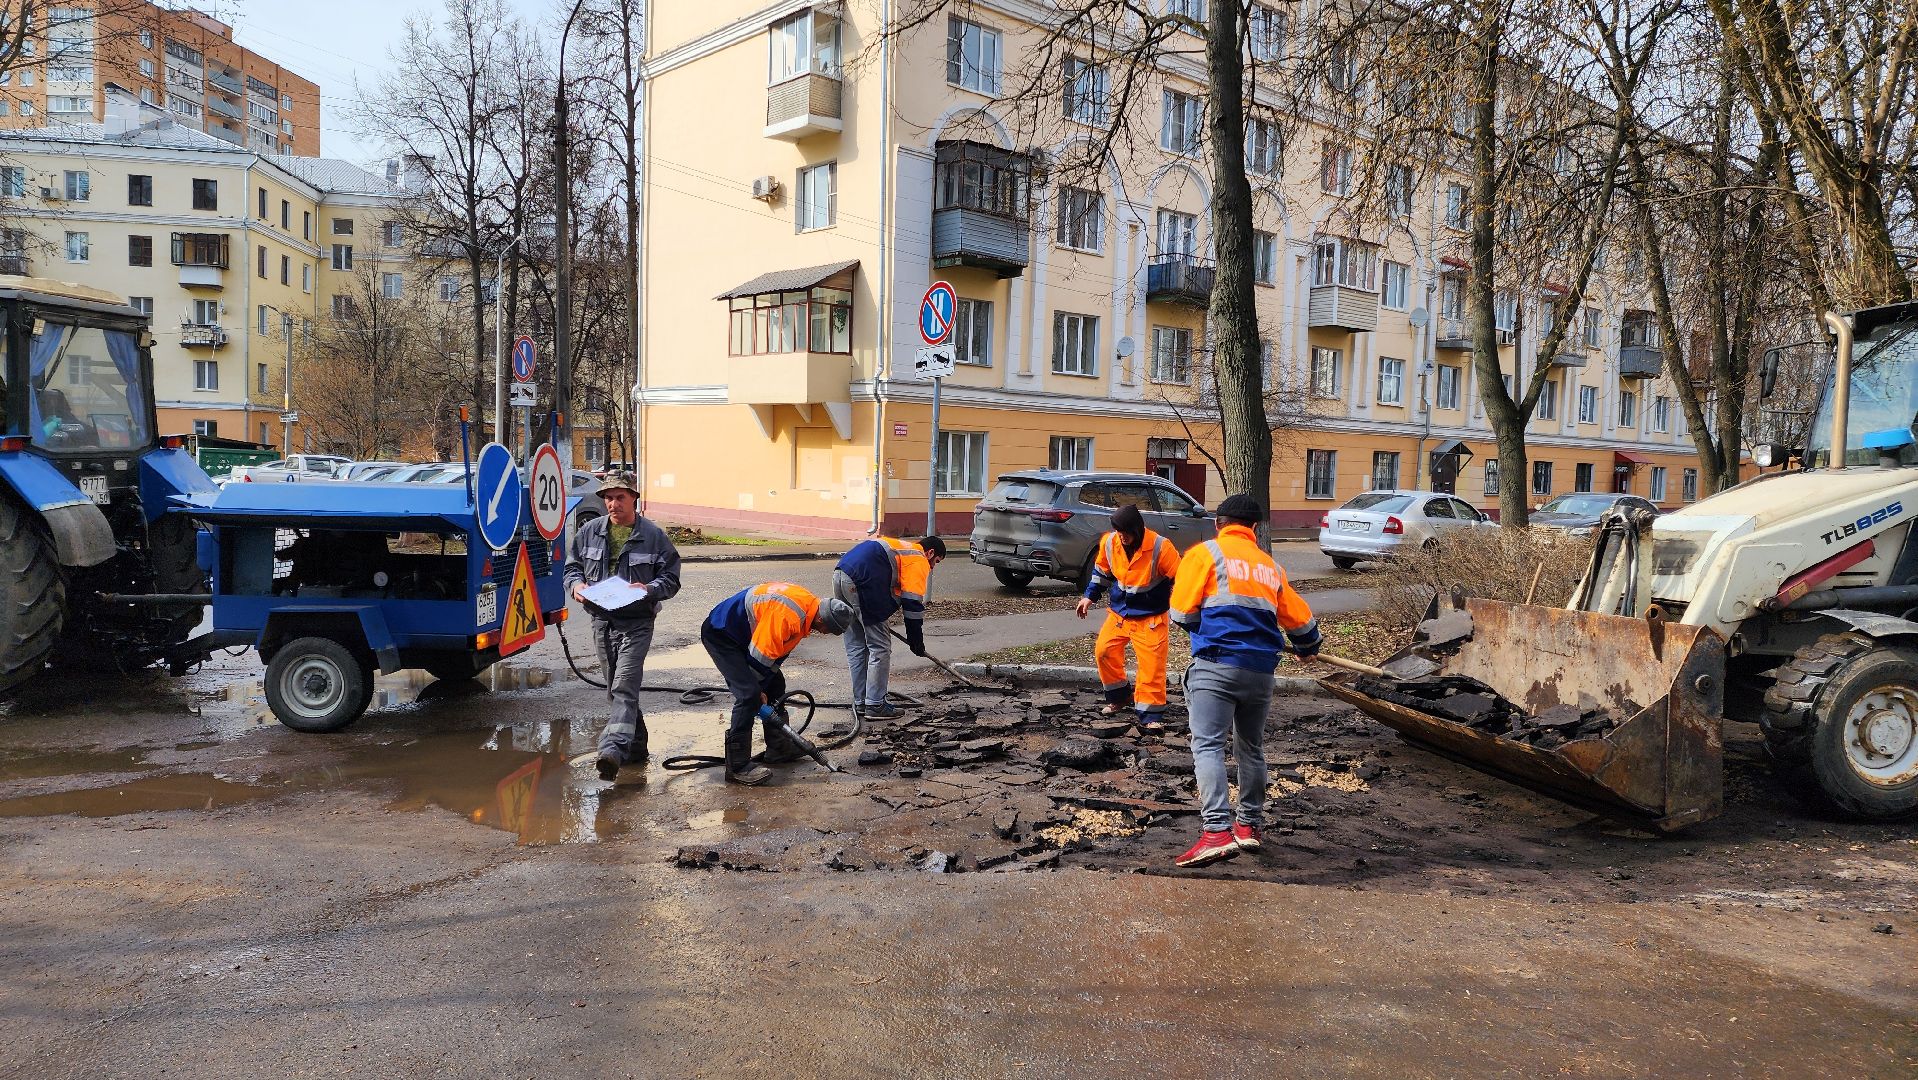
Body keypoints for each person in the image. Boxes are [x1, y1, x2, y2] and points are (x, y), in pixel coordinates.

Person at [1167, 494, 1320, 868]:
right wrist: (1306, 646)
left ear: (1219, 523)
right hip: (1261, 672)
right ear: (1253, 528)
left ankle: (1216, 832)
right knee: (1250, 748)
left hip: (1217, 666)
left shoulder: (1205, 554)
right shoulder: (1270, 566)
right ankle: (1248, 826)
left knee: (1207, 746)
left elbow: (1182, 614)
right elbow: (1301, 622)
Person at [562, 471, 681, 782]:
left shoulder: (654, 536)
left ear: (634, 499)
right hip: (601, 620)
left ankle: (612, 750)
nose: (613, 503)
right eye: (609, 498)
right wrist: (576, 586)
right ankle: (636, 747)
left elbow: (671, 578)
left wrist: (649, 589)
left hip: (637, 622)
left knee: (624, 685)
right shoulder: (589, 531)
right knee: (616, 687)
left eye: (620, 497)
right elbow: (572, 568)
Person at [701, 582, 854, 785]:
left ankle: (779, 748)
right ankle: (737, 767)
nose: (824, 634)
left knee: (776, 683)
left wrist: (765, 685)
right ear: (821, 619)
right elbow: (759, 656)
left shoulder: (807, 609)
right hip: (722, 634)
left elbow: (777, 654)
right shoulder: (790, 615)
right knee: (748, 695)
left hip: (745, 635)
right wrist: (758, 690)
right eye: (827, 630)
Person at [1076, 504, 1183, 730]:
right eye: (1118, 531)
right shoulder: (1109, 542)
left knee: (1151, 667)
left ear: (1137, 529)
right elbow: (1101, 573)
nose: (1122, 536)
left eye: (1125, 532)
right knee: (1104, 651)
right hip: (1120, 614)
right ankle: (1119, 697)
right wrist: (1089, 598)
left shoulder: (1160, 547)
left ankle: (1150, 716)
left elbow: (1181, 580)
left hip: (1150, 617)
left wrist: (1180, 609)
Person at [833, 534, 946, 718]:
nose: (932, 567)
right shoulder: (918, 558)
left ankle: (862, 702)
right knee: (880, 646)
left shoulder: (900, 549)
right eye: (936, 561)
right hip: (863, 581)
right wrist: (916, 639)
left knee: (856, 646)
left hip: (841, 573)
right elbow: (912, 603)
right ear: (930, 552)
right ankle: (876, 705)